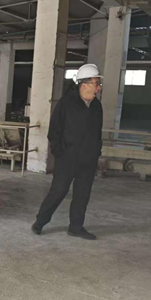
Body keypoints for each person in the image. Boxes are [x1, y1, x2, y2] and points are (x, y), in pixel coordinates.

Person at [31, 63, 103, 240]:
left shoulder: (96, 106)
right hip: (67, 159)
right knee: (58, 191)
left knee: (82, 194)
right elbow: (54, 132)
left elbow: (97, 133)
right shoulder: (66, 104)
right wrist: (60, 153)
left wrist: (96, 152)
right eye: (96, 83)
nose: (98, 88)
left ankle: (76, 227)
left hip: (88, 160)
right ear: (84, 84)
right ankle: (40, 222)